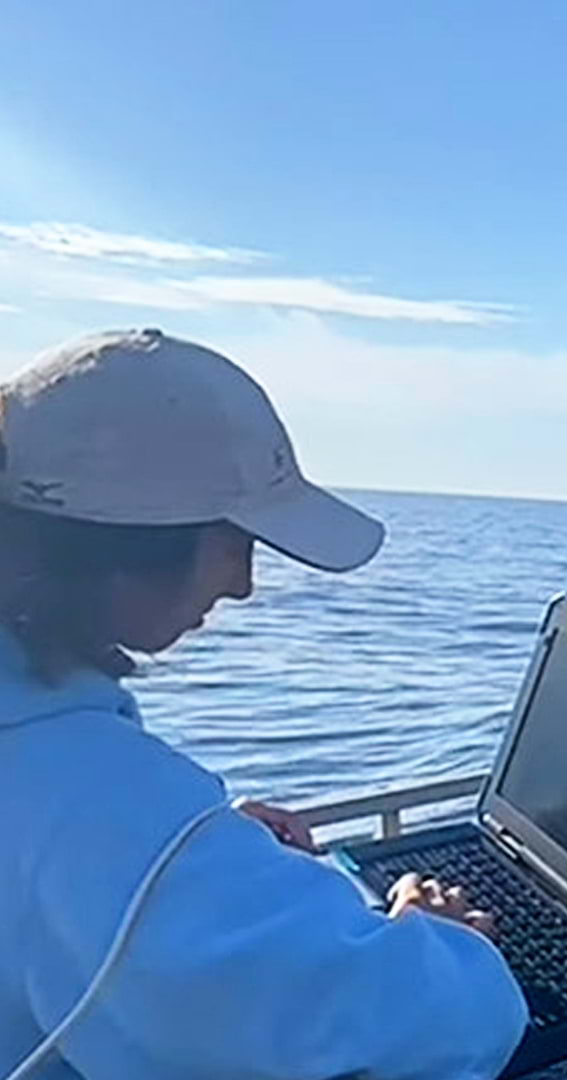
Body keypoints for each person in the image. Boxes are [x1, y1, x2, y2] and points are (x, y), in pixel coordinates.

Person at [0, 330, 527, 1079]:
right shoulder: (105, 814)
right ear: (137, 549)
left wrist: (205, 851)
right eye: (237, 543)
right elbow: (435, 1033)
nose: (243, 585)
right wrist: (444, 942)